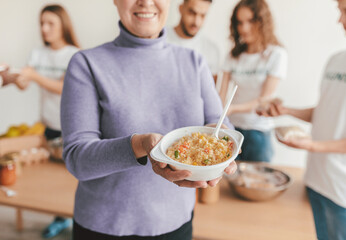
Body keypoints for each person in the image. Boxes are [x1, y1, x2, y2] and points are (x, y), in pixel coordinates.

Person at [61, 0, 236, 239]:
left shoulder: (194, 62)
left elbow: (219, 122)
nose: (145, 1)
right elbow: (77, 159)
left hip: (177, 225)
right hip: (104, 228)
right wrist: (140, 144)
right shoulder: (86, 64)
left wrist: (219, 144)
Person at [257, 0, 346, 238]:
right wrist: (287, 111)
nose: (340, 20)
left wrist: (313, 145)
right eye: (340, 11)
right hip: (316, 180)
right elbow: (327, 111)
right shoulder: (337, 60)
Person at [16, 4, 80, 238]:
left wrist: (33, 75)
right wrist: (15, 78)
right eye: (42, 23)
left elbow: (63, 87)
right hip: (47, 126)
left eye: (50, 23)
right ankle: (60, 219)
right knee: (49, 180)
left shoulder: (74, 54)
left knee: (69, 180)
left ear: (63, 25)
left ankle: (73, 220)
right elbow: (25, 84)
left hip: (70, 128)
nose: (44, 28)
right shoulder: (37, 53)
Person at [219, 0, 287, 162]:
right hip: (231, 129)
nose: (244, 28)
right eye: (240, 23)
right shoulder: (233, 56)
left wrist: (232, 108)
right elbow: (221, 93)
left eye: (250, 21)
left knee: (256, 183)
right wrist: (219, 112)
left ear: (262, 22)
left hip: (259, 132)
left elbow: (264, 99)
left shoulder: (276, 55)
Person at [166, 0, 220, 83]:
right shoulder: (159, 39)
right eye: (192, 13)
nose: (196, 22)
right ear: (181, 8)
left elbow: (211, 91)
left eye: (202, 15)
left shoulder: (211, 50)